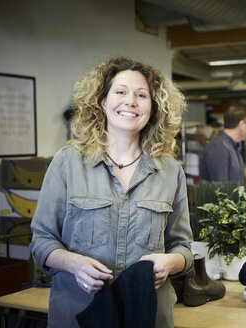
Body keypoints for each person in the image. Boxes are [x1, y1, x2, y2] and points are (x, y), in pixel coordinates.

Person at [30, 57, 193, 327]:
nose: (131, 101)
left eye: (142, 95)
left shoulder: (170, 171)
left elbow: (183, 248)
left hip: (148, 315)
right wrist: (74, 264)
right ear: (102, 102)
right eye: (120, 92)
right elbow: (41, 242)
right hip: (78, 313)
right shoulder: (68, 162)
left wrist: (171, 263)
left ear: (153, 108)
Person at [199, 103, 246, 209]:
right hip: (220, 221)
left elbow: (243, 181)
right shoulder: (218, 149)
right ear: (242, 124)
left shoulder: (232, 146)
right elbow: (220, 192)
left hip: (232, 216)